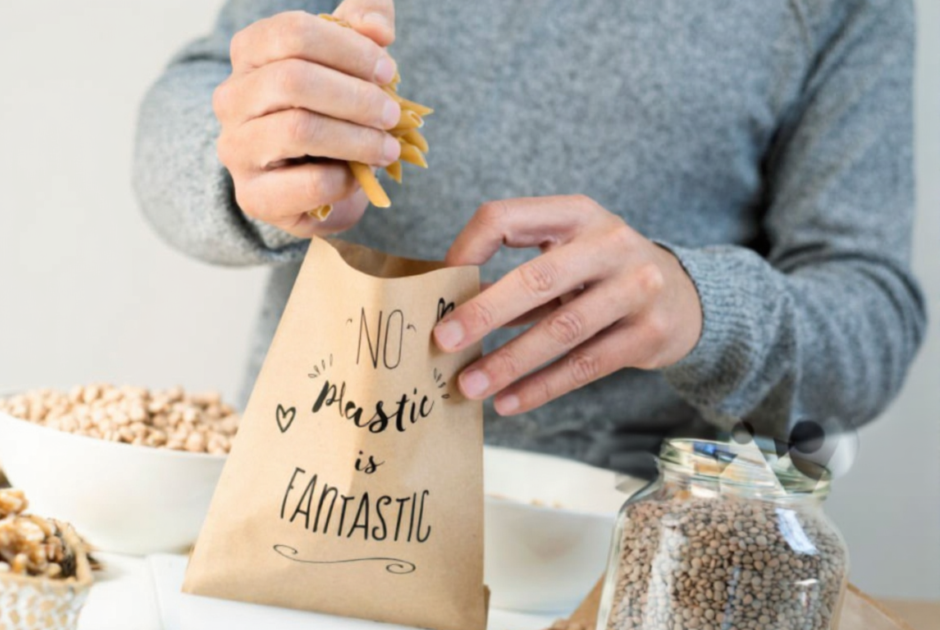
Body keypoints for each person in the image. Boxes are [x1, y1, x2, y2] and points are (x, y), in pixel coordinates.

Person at [133, 0, 925, 472]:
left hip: (621, 562)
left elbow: (872, 309)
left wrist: (700, 308)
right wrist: (255, 167)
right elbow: (191, 103)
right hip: (314, 486)